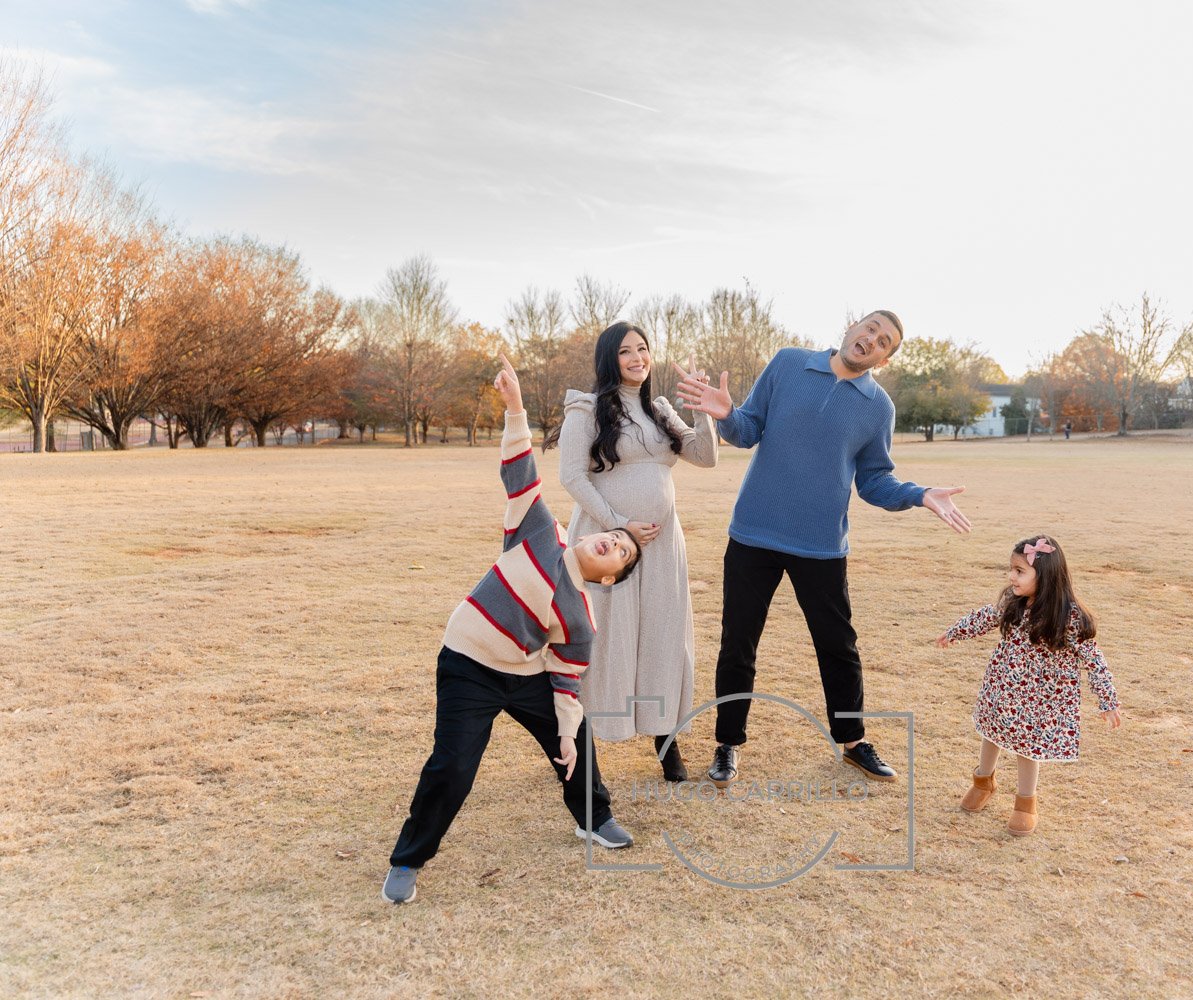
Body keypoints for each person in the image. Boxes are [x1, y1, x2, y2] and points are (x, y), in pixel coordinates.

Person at [381, 357, 643, 905]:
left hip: (524, 675)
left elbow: (566, 683)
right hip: (468, 664)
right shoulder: (538, 533)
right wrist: (517, 408)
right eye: (613, 535)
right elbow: (521, 468)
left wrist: (566, 734)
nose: (611, 543)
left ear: (611, 576)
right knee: (453, 764)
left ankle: (594, 817)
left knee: (577, 743)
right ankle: (408, 860)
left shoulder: (581, 620)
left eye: (620, 552)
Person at [674, 310, 971, 788]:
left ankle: (853, 741)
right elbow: (747, 431)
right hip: (754, 533)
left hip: (821, 546)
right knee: (737, 645)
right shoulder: (789, 363)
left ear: (886, 358)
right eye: (870, 329)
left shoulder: (878, 408)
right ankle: (727, 744)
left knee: (838, 647)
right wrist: (726, 413)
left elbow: (874, 481)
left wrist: (919, 494)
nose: (872, 340)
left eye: (884, 341)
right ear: (852, 327)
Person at [554, 322, 718, 781]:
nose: (637, 358)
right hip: (607, 545)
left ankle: (666, 739)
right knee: (606, 639)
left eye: (643, 349)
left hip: (664, 546)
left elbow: (705, 457)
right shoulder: (585, 410)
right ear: (610, 359)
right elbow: (572, 477)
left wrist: (704, 408)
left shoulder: (660, 410)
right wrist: (618, 525)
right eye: (626, 351)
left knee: (663, 637)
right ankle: (578, 745)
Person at [935, 534, 1122, 836]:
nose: (1011, 576)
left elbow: (1093, 658)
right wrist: (955, 632)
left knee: (1027, 746)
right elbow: (985, 617)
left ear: (1045, 576)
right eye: (1011, 569)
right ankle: (983, 781)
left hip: (1039, 697)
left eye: (1020, 571)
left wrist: (1108, 700)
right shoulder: (1013, 603)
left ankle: (1025, 803)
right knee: (992, 730)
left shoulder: (1069, 617)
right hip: (1003, 685)